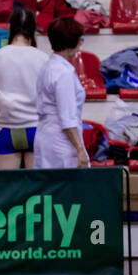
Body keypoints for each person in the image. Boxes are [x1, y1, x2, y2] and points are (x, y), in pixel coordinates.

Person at [0, 4, 47, 169]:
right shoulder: (43, 58)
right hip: (36, 129)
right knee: (37, 190)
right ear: (33, 28)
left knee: (8, 191)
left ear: (11, 27)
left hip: (6, 129)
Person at [33, 17, 89, 169]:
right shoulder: (63, 73)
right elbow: (67, 118)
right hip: (62, 142)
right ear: (72, 41)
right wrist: (80, 149)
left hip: (45, 137)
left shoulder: (48, 67)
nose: (81, 44)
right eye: (80, 39)